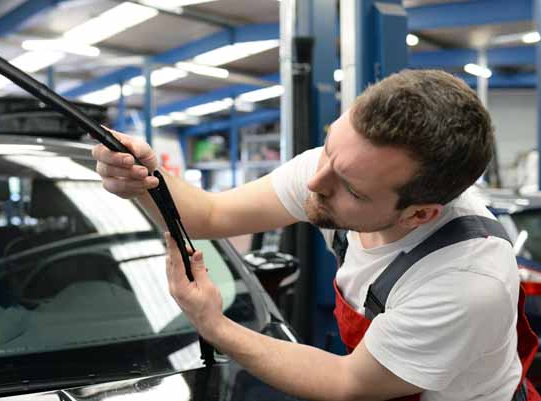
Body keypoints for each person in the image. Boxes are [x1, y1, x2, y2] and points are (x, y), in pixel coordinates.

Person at [92, 69, 540, 401]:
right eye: (328, 147)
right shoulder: (341, 168)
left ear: (419, 214)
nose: (314, 181)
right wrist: (145, 180)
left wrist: (213, 324)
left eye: (349, 188)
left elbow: (347, 382)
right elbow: (210, 212)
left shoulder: (465, 281)